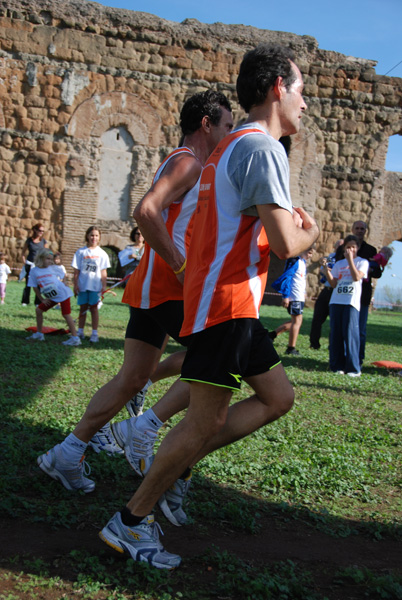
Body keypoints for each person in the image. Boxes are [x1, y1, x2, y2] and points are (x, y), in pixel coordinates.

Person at [98, 44, 319, 570]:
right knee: (201, 423)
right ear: (276, 90)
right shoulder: (262, 149)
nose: (305, 105)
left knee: (276, 397)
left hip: (226, 302)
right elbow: (287, 242)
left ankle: (177, 467)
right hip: (227, 304)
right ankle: (130, 520)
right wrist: (316, 233)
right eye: (301, 91)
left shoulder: (231, 146)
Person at [37, 90, 234, 489]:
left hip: (152, 288)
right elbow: (145, 211)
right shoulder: (188, 163)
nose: (231, 134)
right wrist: (181, 267)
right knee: (220, 356)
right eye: (227, 126)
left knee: (131, 378)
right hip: (167, 288)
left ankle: (67, 453)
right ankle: (142, 428)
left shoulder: (188, 163)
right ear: (206, 124)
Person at [323, 235, 369, 376]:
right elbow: (334, 284)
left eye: (353, 247)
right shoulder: (339, 264)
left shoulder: (362, 262)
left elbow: (356, 277)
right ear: (344, 248)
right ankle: (337, 366)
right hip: (336, 301)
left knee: (351, 334)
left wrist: (350, 260)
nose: (351, 249)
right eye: (348, 247)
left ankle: (354, 368)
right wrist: (326, 271)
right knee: (336, 334)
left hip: (351, 302)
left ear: (358, 248)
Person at [25, 249, 82, 346]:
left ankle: (75, 338)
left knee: (66, 314)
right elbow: (34, 287)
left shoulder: (53, 268)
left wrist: (65, 282)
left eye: (51, 259)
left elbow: (64, 274)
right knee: (39, 311)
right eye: (48, 259)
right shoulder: (34, 271)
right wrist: (42, 299)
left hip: (63, 294)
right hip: (52, 297)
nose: (50, 261)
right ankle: (39, 334)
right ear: (41, 258)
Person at [349, 221, 381, 365]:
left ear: (365, 231)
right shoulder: (346, 247)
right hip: (347, 294)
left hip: (363, 295)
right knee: (346, 328)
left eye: (362, 229)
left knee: (360, 330)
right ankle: (345, 356)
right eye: (357, 228)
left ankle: (359, 358)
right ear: (352, 230)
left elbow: (378, 273)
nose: (360, 231)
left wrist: (370, 270)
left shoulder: (371, 250)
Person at [72, 226, 110, 343]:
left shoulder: (102, 253)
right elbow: (76, 271)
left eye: (96, 235)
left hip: (95, 286)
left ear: (99, 238)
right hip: (83, 285)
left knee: (94, 309)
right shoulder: (81, 252)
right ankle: (80, 331)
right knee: (83, 309)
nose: (94, 237)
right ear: (87, 236)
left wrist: (104, 286)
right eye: (92, 235)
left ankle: (94, 333)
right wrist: (75, 285)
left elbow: (103, 271)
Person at [273, 248, 314, 356]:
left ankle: (271, 335)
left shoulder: (302, 262)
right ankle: (291, 348)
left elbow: (300, 280)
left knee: (295, 321)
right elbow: (287, 278)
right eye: (309, 252)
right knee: (297, 321)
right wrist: (285, 296)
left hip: (299, 296)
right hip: (293, 296)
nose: (310, 256)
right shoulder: (294, 261)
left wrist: (304, 292)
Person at [309, 239, 343, 350]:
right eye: (338, 246)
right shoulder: (331, 257)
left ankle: (332, 345)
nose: (340, 248)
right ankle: (314, 344)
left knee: (335, 321)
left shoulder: (345, 260)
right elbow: (323, 269)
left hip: (337, 292)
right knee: (317, 318)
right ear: (335, 247)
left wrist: (330, 271)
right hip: (326, 290)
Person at [20, 223, 47, 306]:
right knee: (28, 284)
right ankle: (25, 301)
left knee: (39, 284)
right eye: (40, 230)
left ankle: (37, 302)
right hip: (29, 264)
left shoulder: (43, 241)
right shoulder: (29, 241)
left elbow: (46, 253)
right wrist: (25, 262)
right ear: (35, 230)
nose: (41, 232)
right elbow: (23, 253)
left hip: (38, 265)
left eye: (43, 231)